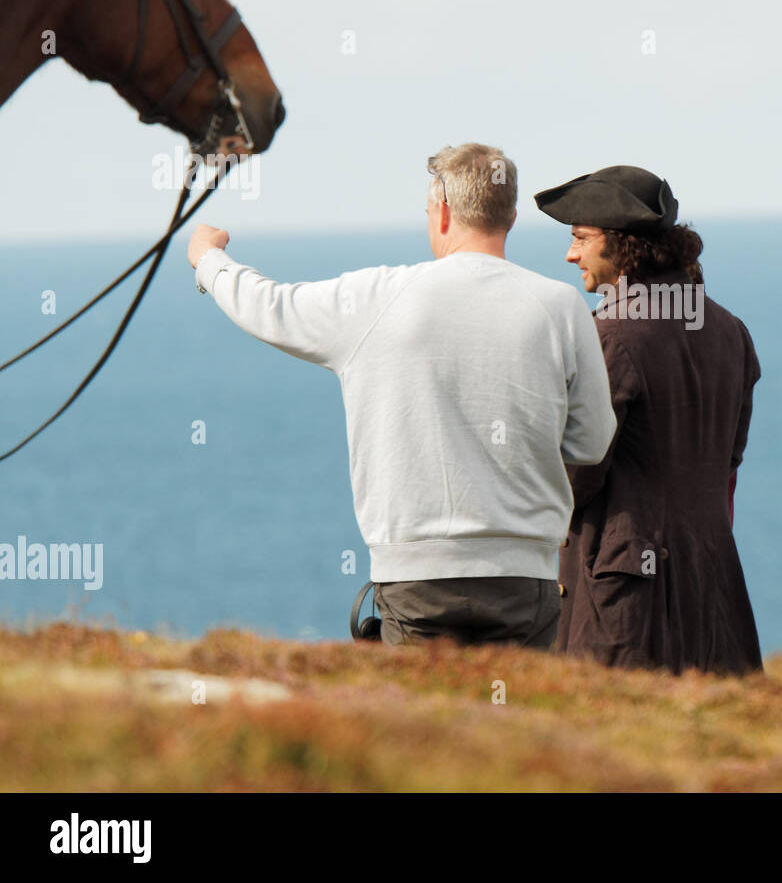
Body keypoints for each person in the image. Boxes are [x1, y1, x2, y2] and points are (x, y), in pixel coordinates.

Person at [186, 143, 617, 649]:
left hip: (416, 577)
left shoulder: (376, 299)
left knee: (422, 726)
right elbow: (592, 443)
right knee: (515, 723)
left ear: (443, 213)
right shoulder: (561, 306)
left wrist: (208, 258)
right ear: (512, 217)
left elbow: (270, 306)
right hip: (526, 579)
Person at [533, 164, 764, 676]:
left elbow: (579, 471)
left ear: (620, 244)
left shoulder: (611, 335)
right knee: (712, 738)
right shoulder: (731, 330)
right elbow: (729, 461)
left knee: (610, 739)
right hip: (713, 579)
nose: (570, 254)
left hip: (624, 592)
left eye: (580, 238)